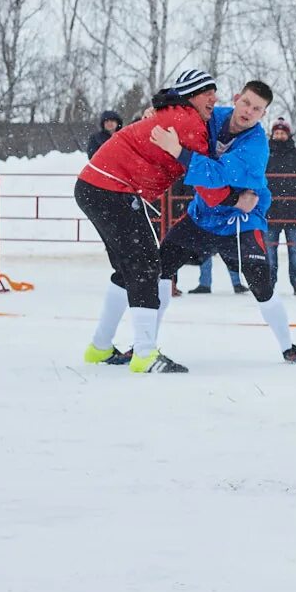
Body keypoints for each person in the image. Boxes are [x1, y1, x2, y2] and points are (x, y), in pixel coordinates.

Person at [148, 80, 296, 367]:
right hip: (203, 215)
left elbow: (216, 176)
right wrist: (157, 111)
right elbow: (184, 113)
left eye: (257, 108)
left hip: (242, 220)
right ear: (237, 98)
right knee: (161, 267)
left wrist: (181, 153)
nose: (249, 111)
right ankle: (145, 344)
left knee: (261, 283)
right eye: (246, 103)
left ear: (263, 114)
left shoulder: (257, 146)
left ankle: (288, 347)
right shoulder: (215, 115)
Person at [76, 69, 216, 371]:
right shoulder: (188, 121)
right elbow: (208, 168)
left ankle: (100, 347)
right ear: (191, 95)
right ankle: (145, 354)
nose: (213, 98)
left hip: (99, 187)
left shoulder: (177, 114)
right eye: (207, 92)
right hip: (110, 188)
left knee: (129, 268)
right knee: (146, 265)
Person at [265, 116, 296, 295]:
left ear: (288, 134)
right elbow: (257, 176)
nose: (279, 135)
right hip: (270, 210)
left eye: (282, 132)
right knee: (270, 251)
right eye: (276, 132)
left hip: (292, 210)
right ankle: (269, 285)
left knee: (294, 250)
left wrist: (294, 190)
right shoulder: (265, 153)